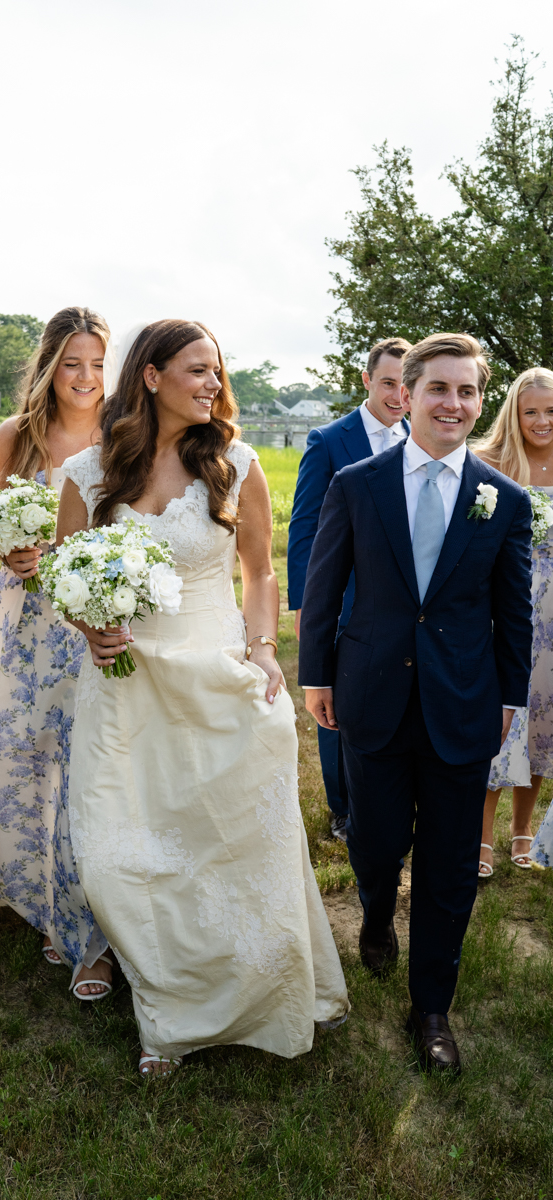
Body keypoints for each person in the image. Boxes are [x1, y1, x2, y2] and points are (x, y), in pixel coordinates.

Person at [59, 318, 349, 1078]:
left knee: (221, 845)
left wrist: (261, 652)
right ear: (150, 377)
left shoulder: (237, 464)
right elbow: (66, 578)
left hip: (215, 668)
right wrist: (91, 626)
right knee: (119, 852)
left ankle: (221, 1002)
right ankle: (165, 996)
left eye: (217, 371)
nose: (213, 384)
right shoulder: (88, 475)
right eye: (196, 370)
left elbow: (258, 573)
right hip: (124, 679)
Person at [299, 333, 533, 1073]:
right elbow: (325, 585)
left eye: (467, 392)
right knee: (373, 840)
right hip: (373, 691)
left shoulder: (504, 500)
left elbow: (513, 611)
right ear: (408, 392)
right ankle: (374, 911)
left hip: (463, 701)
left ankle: (431, 1008)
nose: (453, 405)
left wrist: (510, 698)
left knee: (450, 864)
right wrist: (317, 675)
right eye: (439, 389)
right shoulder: (358, 483)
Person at [0, 307, 114, 999]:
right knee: (35, 750)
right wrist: (11, 548)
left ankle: (92, 909)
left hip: (96, 611)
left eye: (96, 363)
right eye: (72, 364)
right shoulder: (16, 435)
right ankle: (41, 889)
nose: (85, 377)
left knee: (90, 752)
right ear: (50, 365)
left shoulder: (125, 432)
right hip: (31, 618)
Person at [287, 337, 411, 841]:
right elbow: (304, 531)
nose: (398, 395)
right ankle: (342, 807)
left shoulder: (420, 439)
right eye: (388, 383)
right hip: (341, 595)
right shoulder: (329, 440)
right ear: (366, 381)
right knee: (334, 702)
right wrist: (303, 604)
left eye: (407, 384)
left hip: (396, 600)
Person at [471, 368, 553, 874]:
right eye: (531, 412)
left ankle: (523, 831)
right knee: (500, 721)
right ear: (514, 414)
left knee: (541, 725)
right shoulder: (488, 464)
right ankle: (480, 837)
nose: (542, 421)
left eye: (551, 411)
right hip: (506, 611)